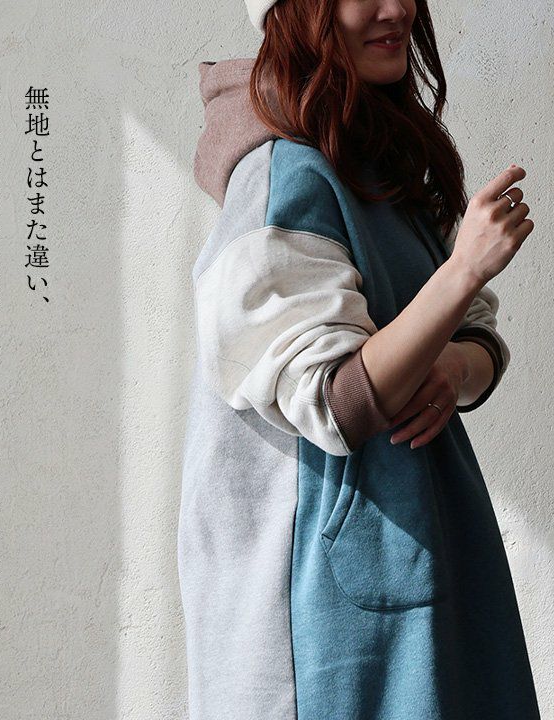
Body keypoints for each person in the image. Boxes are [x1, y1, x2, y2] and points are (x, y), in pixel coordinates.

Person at [176, 0, 542, 718]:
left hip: (424, 559)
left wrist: (453, 368)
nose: (396, 8)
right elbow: (335, 400)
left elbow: (472, 333)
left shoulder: (381, 158)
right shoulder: (280, 176)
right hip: (318, 613)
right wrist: (464, 268)